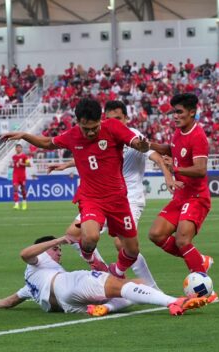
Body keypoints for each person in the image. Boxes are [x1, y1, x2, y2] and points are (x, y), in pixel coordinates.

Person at [1, 98, 150, 279]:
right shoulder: (72, 135)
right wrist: (25, 135)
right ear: (78, 122)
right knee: (89, 238)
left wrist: (141, 145)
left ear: (100, 120)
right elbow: (48, 143)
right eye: (86, 128)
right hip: (91, 198)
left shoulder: (112, 127)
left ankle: (116, 272)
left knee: (132, 250)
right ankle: (89, 256)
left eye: (94, 127)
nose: (90, 132)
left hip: (118, 199)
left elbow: (134, 141)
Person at [49, 100, 177, 287]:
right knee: (73, 235)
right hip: (100, 196)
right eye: (110, 119)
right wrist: (67, 164)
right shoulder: (103, 132)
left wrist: (167, 175)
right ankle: (101, 270)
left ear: (126, 118)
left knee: (122, 244)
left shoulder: (133, 135)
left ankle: (150, 287)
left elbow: (155, 156)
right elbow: (92, 158)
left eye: (118, 118)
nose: (114, 121)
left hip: (129, 197)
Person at [0, 235, 214, 316]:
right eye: (56, 250)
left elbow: (11, 300)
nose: (59, 253)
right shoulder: (39, 261)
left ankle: (107, 308)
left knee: (134, 286)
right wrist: (56, 241)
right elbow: (24, 253)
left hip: (67, 305)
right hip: (67, 286)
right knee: (123, 285)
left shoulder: (31, 282)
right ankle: (173, 301)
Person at [148, 93, 214, 274]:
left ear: (192, 112)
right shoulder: (178, 132)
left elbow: (201, 170)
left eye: (179, 112)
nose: (175, 116)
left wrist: (175, 169)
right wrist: (149, 145)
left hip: (196, 197)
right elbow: (171, 149)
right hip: (180, 196)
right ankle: (199, 260)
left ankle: (202, 284)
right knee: (156, 234)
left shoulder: (198, 136)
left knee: (182, 240)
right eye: (173, 112)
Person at [11, 144, 31, 210]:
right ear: (15, 149)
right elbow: (13, 165)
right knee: (15, 188)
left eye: (20, 148)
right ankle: (16, 204)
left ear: (21, 149)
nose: (18, 149)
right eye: (17, 148)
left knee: (23, 189)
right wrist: (11, 165)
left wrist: (22, 164)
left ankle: (24, 202)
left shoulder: (24, 156)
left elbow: (29, 165)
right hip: (15, 174)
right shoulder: (13, 157)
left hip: (22, 175)